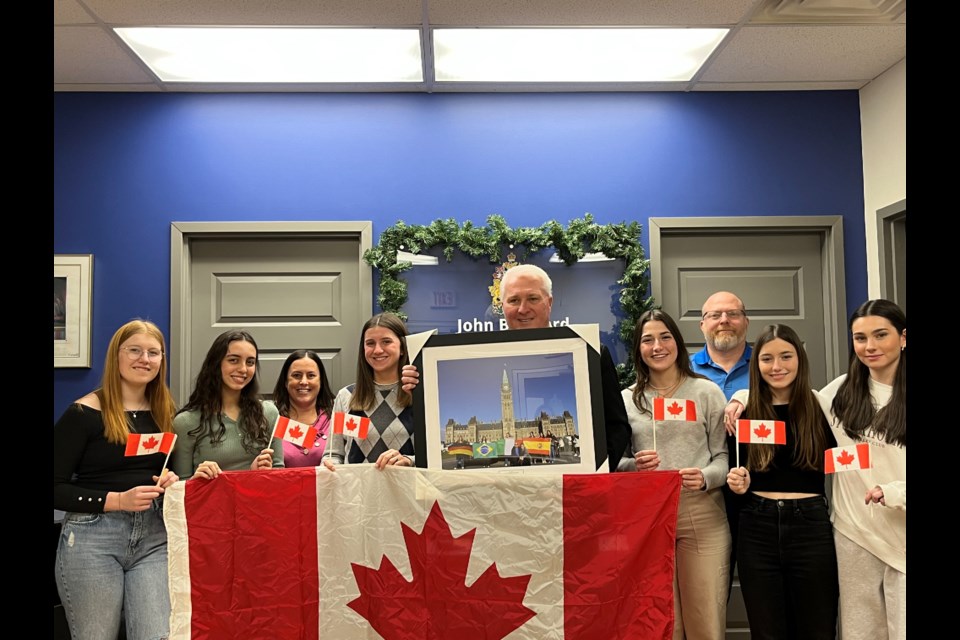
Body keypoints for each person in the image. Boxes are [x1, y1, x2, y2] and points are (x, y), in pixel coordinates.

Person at [725, 300, 906, 640]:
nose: (870, 346)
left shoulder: (824, 402)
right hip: (802, 528)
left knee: (822, 628)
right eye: (861, 337)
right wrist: (742, 395)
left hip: (843, 527)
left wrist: (893, 491)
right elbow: (779, 402)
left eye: (880, 335)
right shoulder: (831, 395)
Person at [401, 264, 632, 472]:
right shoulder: (477, 356)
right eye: (513, 300)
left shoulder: (589, 353)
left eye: (533, 298)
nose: (523, 309)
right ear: (502, 306)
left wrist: (594, 473)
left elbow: (617, 428)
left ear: (549, 302)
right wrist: (422, 389)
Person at [54, 319, 179, 640]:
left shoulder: (165, 411)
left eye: (154, 352)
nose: (145, 359)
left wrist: (169, 481)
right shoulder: (83, 414)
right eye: (135, 350)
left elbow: (165, 468)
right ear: (116, 356)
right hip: (92, 540)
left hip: (154, 538)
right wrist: (117, 500)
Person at [618, 309, 730, 640]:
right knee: (663, 623)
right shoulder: (626, 400)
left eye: (665, 337)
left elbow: (723, 456)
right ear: (638, 349)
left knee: (705, 619)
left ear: (677, 342)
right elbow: (614, 464)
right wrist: (633, 466)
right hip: (648, 520)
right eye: (647, 339)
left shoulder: (706, 392)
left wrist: (708, 476)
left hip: (702, 513)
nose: (657, 346)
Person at [725, 324, 838, 640]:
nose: (777, 367)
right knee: (767, 631)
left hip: (811, 527)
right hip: (756, 527)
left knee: (817, 628)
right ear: (756, 364)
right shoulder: (743, 413)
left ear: (800, 359)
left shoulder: (823, 408)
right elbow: (734, 470)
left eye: (786, 356)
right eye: (767, 359)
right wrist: (737, 481)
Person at [689, 290, 751, 598]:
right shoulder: (682, 371)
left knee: (762, 592)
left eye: (732, 314)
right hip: (704, 493)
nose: (724, 320)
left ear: (746, 322)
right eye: (715, 315)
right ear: (702, 325)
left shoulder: (769, 364)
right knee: (708, 591)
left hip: (757, 491)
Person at [172, 329, 283, 480]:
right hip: (211, 503)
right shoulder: (186, 422)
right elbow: (179, 488)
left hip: (258, 502)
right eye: (233, 360)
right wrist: (197, 480)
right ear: (215, 363)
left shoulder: (269, 413)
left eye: (250, 362)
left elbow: (280, 476)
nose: (243, 369)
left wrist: (258, 472)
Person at [324, 312, 415, 470]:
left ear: (402, 348)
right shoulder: (346, 396)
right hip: (358, 492)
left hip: (406, 491)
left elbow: (437, 454)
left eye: (386, 342)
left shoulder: (418, 394)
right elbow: (333, 454)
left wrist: (409, 460)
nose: (377, 350)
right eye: (370, 343)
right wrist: (331, 465)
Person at [266, 349, 335, 468]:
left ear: (321, 381)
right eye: (296, 375)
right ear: (286, 381)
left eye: (311, 375)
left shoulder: (335, 417)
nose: (303, 382)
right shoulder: (270, 417)